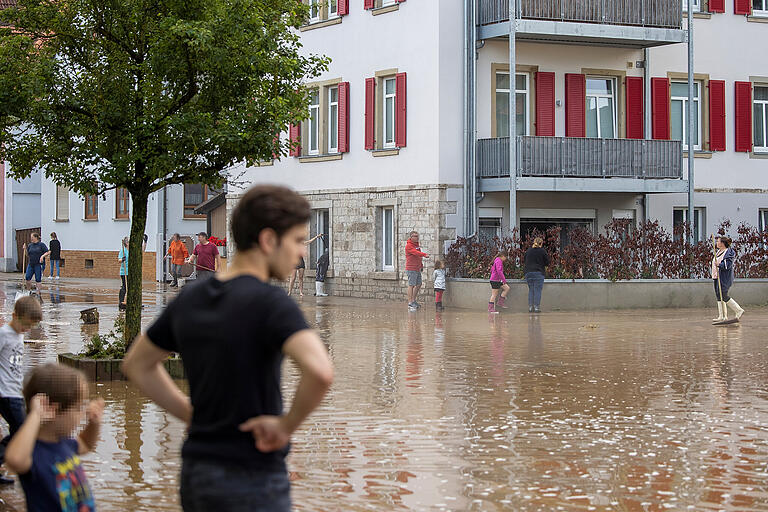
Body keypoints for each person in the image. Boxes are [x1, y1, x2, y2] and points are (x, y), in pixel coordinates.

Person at [123, 185, 334, 512]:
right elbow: (320, 371)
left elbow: (136, 365)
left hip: (197, 471)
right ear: (267, 240)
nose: (301, 252)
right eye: (295, 241)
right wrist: (286, 426)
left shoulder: (191, 298)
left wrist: (188, 412)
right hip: (254, 472)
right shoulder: (272, 302)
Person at [5, 363, 105, 512]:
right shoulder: (34, 453)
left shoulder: (65, 443)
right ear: (53, 410)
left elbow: (86, 444)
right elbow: (14, 459)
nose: (83, 413)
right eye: (78, 408)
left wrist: (93, 424)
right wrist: (36, 415)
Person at [0, 296, 43, 485]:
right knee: (24, 430)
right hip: (5, 393)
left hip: (15, 392)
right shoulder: (4, 334)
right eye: (25, 325)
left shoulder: (19, 333)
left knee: (20, 429)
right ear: (14, 316)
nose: (27, 329)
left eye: (30, 327)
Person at [712, 235, 744, 323]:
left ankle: (738, 310)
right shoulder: (718, 252)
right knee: (719, 295)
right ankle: (722, 316)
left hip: (724, 278)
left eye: (718, 241)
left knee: (723, 294)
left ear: (722, 243)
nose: (716, 243)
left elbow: (727, 265)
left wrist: (719, 265)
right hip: (717, 277)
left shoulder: (728, 253)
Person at [524, 237, 550, 313]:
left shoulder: (528, 251)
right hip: (538, 273)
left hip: (528, 273)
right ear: (541, 243)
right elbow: (547, 263)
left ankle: (530, 307)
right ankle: (536, 307)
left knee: (531, 290)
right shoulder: (542, 251)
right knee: (537, 290)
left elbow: (524, 261)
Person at [405, 231, 429, 310]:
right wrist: (424, 254)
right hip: (411, 268)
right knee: (411, 285)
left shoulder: (417, 245)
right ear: (411, 237)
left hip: (417, 268)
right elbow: (416, 253)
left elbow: (418, 256)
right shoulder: (409, 246)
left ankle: (413, 300)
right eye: (415, 236)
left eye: (417, 236)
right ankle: (410, 302)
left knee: (419, 284)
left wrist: (421, 265)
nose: (417, 238)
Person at [118, 237, 129, 308]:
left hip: (130, 271)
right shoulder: (123, 250)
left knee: (129, 286)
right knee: (125, 286)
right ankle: (121, 301)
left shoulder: (130, 250)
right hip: (124, 271)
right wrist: (122, 259)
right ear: (127, 243)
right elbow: (119, 260)